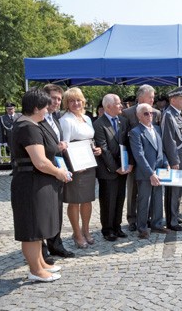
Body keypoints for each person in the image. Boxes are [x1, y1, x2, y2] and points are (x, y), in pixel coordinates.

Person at [11, 89, 71, 282]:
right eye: (46, 107)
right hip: (31, 183)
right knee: (31, 229)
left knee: (37, 227)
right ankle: (35, 270)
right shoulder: (28, 127)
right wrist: (59, 172)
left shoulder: (25, 123)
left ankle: (41, 263)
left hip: (34, 182)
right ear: (36, 108)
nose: (48, 110)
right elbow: (40, 162)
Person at [59, 87, 102, 249]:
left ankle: (86, 229)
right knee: (75, 201)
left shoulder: (87, 118)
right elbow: (65, 146)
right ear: (67, 103)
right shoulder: (66, 120)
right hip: (76, 167)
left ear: (83, 101)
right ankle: (77, 233)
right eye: (71, 101)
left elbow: (90, 139)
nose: (76, 103)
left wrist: (97, 149)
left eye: (78, 100)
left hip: (89, 164)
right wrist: (74, 165)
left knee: (88, 200)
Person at [93, 94, 134, 242]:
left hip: (123, 168)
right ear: (108, 107)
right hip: (108, 170)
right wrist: (115, 167)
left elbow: (128, 144)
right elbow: (103, 149)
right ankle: (108, 229)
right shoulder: (99, 124)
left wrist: (129, 163)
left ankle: (117, 226)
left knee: (119, 198)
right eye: (118, 104)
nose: (121, 106)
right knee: (108, 201)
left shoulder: (123, 121)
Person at [40, 84, 73, 259]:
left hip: (58, 170)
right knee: (43, 212)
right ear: (44, 98)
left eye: (59, 99)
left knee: (56, 210)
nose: (57, 102)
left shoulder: (56, 118)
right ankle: (41, 250)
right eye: (53, 98)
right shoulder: (36, 119)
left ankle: (56, 244)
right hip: (43, 171)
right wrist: (56, 147)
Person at [122, 84, 161, 232]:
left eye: (153, 97)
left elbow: (156, 138)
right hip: (134, 159)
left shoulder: (156, 112)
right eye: (150, 96)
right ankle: (133, 219)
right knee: (133, 191)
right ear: (140, 96)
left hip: (151, 160)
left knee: (152, 191)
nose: (153, 99)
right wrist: (129, 161)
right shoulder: (127, 113)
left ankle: (150, 218)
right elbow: (124, 138)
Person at [130, 103, 170, 239]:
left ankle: (157, 225)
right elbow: (139, 155)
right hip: (145, 173)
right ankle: (142, 228)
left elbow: (161, 150)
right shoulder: (135, 132)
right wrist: (150, 174)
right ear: (139, 116)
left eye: (151, 113)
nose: (150, 116)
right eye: (146, 113)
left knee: (158, 199)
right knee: (144, 201)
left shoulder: (157, 129)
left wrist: (166, 163)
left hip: (159, 171)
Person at [162, 86, 182, 231]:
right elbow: (169, 140)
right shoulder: (169, 115)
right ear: (173, 100)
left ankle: (175, 214)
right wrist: (174, 161)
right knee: (173, 192)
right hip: (175, 160)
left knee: (178, 191)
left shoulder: (178, 114)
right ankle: (172, 221)